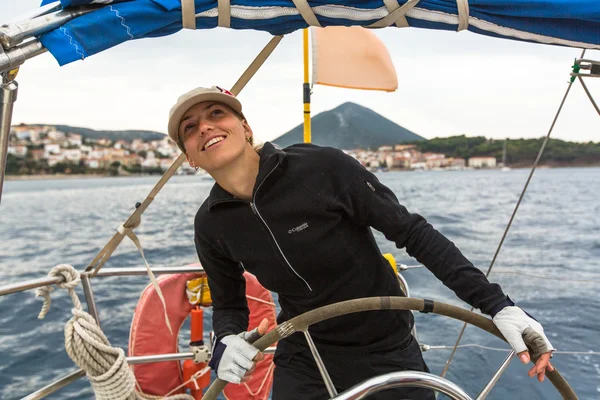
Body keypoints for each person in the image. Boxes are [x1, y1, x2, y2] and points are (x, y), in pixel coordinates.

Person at [167, 86, 555, 399]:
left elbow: (413, 233)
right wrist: (228, 339)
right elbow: (229, 302)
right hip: (306, 351)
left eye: (217, 114)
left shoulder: (322, 168)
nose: (204, 127)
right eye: (189, 127)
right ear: (190, 158)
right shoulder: (210, 224)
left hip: (385, 343)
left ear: (245, 127)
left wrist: (496, 305)